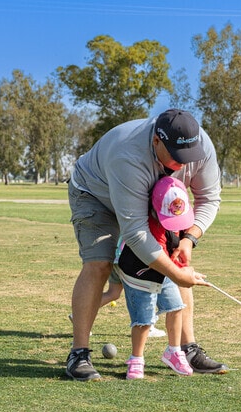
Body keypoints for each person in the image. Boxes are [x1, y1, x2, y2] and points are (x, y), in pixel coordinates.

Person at [66, 108, 228, 381]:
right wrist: (175, 276)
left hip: (155, 196)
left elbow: (209, 199)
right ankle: (79, 353)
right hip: (94, 193)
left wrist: (190, 239)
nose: (181, 165)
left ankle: (186, 349)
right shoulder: (128, 155)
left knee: (178, 258)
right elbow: (136, 234)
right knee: (99, 263)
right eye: (176, 157)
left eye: (187, 158)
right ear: (156, 141)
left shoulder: (201, 146)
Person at [116, 176, 195, 379]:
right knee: (143, 320)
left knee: (176, 307)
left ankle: (173, 351)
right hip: (140, 273)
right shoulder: (151, 226)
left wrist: (184, 264)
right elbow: (158, 258)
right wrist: (183, 273)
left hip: (165, 271)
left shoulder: (175, 219)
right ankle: (136, 358)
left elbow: (177, 245)